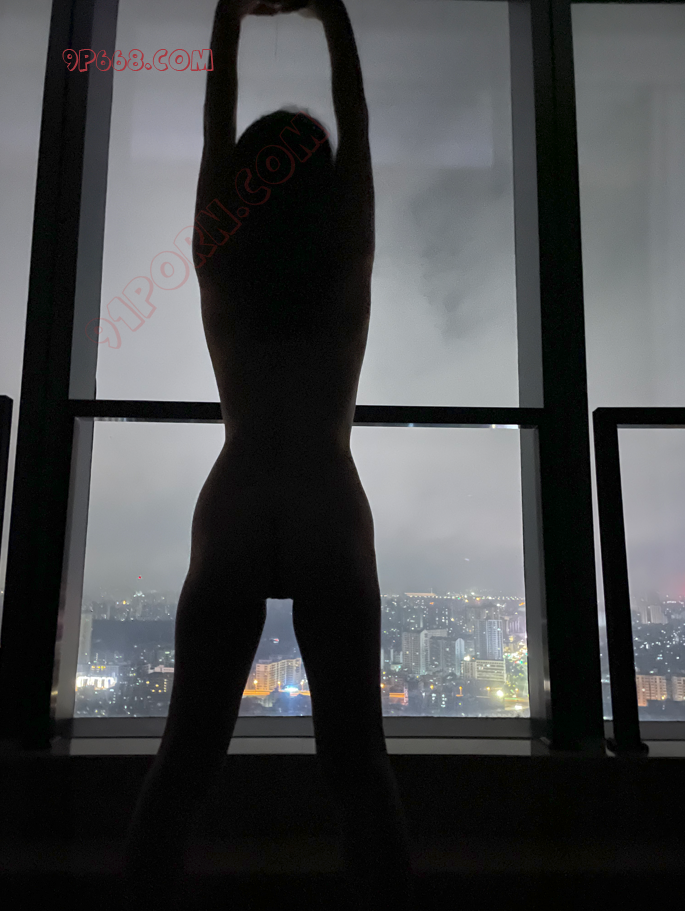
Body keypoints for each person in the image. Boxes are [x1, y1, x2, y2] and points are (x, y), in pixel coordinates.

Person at [122, 2, 415, 908]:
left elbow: (215, 127)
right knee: (358, 765)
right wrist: (330, 11)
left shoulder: (221, 256)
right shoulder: (346, 256)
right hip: (326, 495)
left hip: (240, 493)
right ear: (324, 185)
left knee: (184, 759)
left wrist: (227, 16)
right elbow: (355, 121)